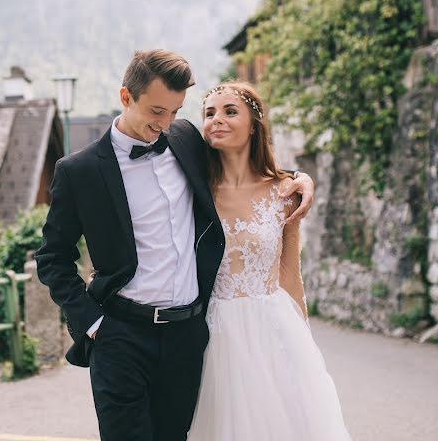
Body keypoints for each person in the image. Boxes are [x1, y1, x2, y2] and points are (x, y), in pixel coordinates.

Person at [35, 50, 315, 441]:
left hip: (188, 336)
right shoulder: (78, 171)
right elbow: (52, 258)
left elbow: (244, 163)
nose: (164, 123)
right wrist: (93, 324)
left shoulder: (184, 139)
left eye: (175, 111)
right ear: (125, 96)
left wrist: (297, 178)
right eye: (155, 111)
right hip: (120, 336)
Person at [187, 81, 351, 440]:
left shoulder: (286, 191)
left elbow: (290, 270)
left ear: (254, 124)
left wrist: (303, 337)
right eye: (209, 113)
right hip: (215, 333)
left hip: (273, 329)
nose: (217, 119)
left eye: (231, 111)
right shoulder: (194, 192)